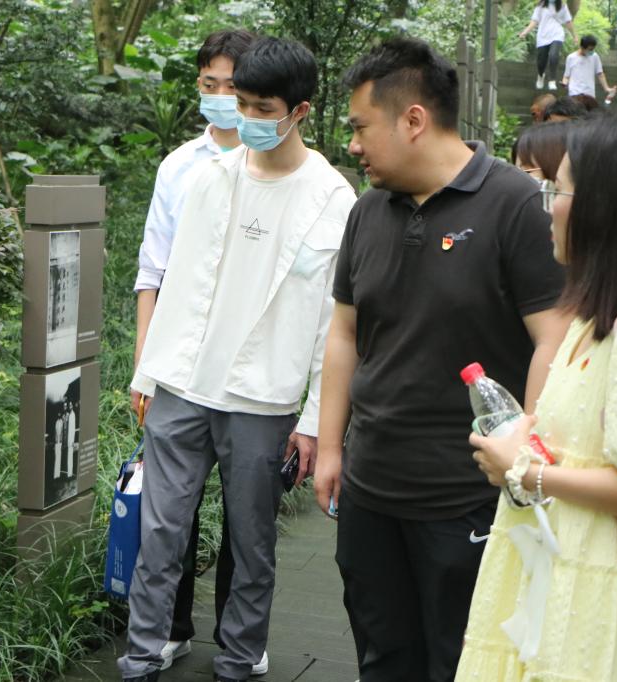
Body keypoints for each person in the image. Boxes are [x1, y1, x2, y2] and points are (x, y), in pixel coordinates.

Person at [313, 37, 568, 682]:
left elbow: (554, 337)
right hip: (371, 488)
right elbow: (344, 333)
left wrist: (524, 453)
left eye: (360, 127)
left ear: (413, 120)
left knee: (462, 660)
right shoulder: (366, 211)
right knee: (382, 655)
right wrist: (331, 446)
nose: (353, 145)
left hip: (469, 495)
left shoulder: (513, 204)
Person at [119, 36, 356, 682]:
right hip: (183, 382)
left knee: (251, 543)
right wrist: (149, 374)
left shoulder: (332, 199)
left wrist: (314, 420)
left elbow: (333, 324)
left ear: (300, 111)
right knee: (160, 533)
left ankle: (239, 659)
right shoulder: (211, 178)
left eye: (260, 107)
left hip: (262, 396)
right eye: (240, 101)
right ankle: (141, 658)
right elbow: (177, 282)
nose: (244, 116)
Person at [456, 113, 617, 681]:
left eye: (557, 190)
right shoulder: (594, 318)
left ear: (606, 208)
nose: (548, 208)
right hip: (568, 580)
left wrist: (527, 472)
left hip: (610, 602)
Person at [129, 29, 264, 674]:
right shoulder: (179, 166)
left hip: (249, 370)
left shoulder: (282, 167)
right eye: (209, 85)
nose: (219, 97)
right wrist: (144, 367)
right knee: (167, 512)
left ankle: (240, 641)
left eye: (232, 87)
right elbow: (151, 271)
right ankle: (167, 630)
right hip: (179, 365)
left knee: (247, 518)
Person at [519, 0, 578, 90]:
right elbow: (534, 21)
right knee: (541, 60)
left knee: (553, 55)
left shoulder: (562, 6)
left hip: (557, 34)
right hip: (543, 35)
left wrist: (574, 36)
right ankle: (540, 75)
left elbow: (568, 22)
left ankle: (552, 80)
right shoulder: (541, 5)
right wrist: (525, 32)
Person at [562, 36, 617, 103]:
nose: (592, 51)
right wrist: (564, 83)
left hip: (589, 93)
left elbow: (600, 74)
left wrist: (606, 88)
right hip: (574, 93)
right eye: (590, 49)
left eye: (593, 49)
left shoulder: (594, 56)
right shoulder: (571, 58)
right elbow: (566, 76)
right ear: (582, 47)